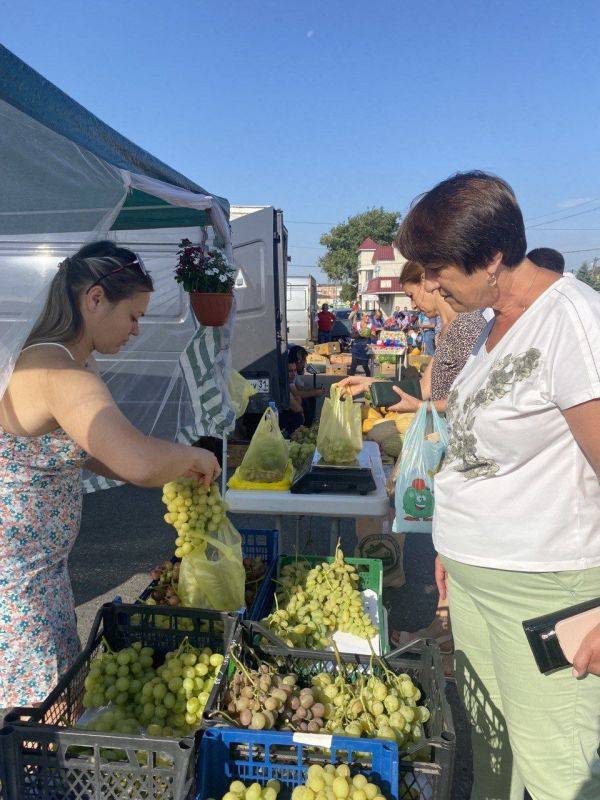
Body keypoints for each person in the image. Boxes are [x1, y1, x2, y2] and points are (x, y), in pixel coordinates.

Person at [396, 170, 600, 800]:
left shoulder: (572, 322)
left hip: (546, 590)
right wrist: (456, 553)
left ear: (490, 259)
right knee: (494, 752)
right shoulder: (492, 323)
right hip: (481, 581)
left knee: (558, 766)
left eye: (436, 270)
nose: (428, 286)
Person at [0, 241, 221, 709]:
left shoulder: (56, 359)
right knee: (43, 714)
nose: (137, 330)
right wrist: (189, 458)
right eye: (134, 315)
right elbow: (136, 461)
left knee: (55, 699)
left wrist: (166, 466)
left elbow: (87, 451)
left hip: (39, 573)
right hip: (17, 585)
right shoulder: (61, 374)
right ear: (95, 299)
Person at [288, 345, 325, 426]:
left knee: (309, 399)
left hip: (293, 400)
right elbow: (297, 393)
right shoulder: (290, 370)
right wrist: (314, 392)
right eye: (304, 360)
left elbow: (299, 388)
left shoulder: (294, 371)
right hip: (288, 408)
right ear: (299, 361)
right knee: (306, 403)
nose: (305, 363)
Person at [279, 356, 305, 437]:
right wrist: (301, 412)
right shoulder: (281, 385)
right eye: (290, 371)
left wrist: (292, 384)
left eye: (295, 370)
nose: (294, 374)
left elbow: (298, 398)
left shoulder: (289, 383)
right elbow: (297, 408)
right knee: (298, 416)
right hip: (279, 420)